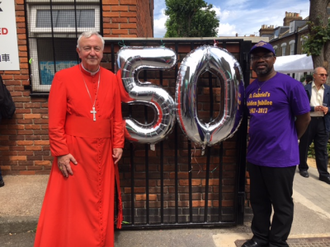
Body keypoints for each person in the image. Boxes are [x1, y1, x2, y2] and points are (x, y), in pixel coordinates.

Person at [34, 31, 125, 247]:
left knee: (100, 201)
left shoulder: (112, 79)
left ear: (102, 52)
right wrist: (61, 152)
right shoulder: (63, 78)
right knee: (72, 204)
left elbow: (117, 117)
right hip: (74, 151)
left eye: (96, 48)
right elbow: (55, 122)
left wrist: (119, 143)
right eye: (87, 48)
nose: (92, 53)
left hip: (103, 151)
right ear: (79, 51)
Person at [243, 41, 311, 247]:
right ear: (252, 62)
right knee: (259, 202)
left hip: (281, 157)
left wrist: (290, 139)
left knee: (281, 203)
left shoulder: (291, 85)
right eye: (256, 57)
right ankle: (260, 238)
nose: (260, 60)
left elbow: (304, 118)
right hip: (256, 156)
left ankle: (278, 242)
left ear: (274, 59)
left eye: (265, 55)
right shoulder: (251, 89)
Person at [298, 67, 330, 184]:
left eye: (325, 75)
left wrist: (327, 109)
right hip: (309, 120)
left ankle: (323, 174)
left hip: (322, 121)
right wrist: (313, 108)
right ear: (315, 75)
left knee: (321, 149)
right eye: (321, 75)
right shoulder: (305, 89)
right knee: (304, 145)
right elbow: (300, 105)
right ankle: (303, 168)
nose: (324, 77)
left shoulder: (328, 90)